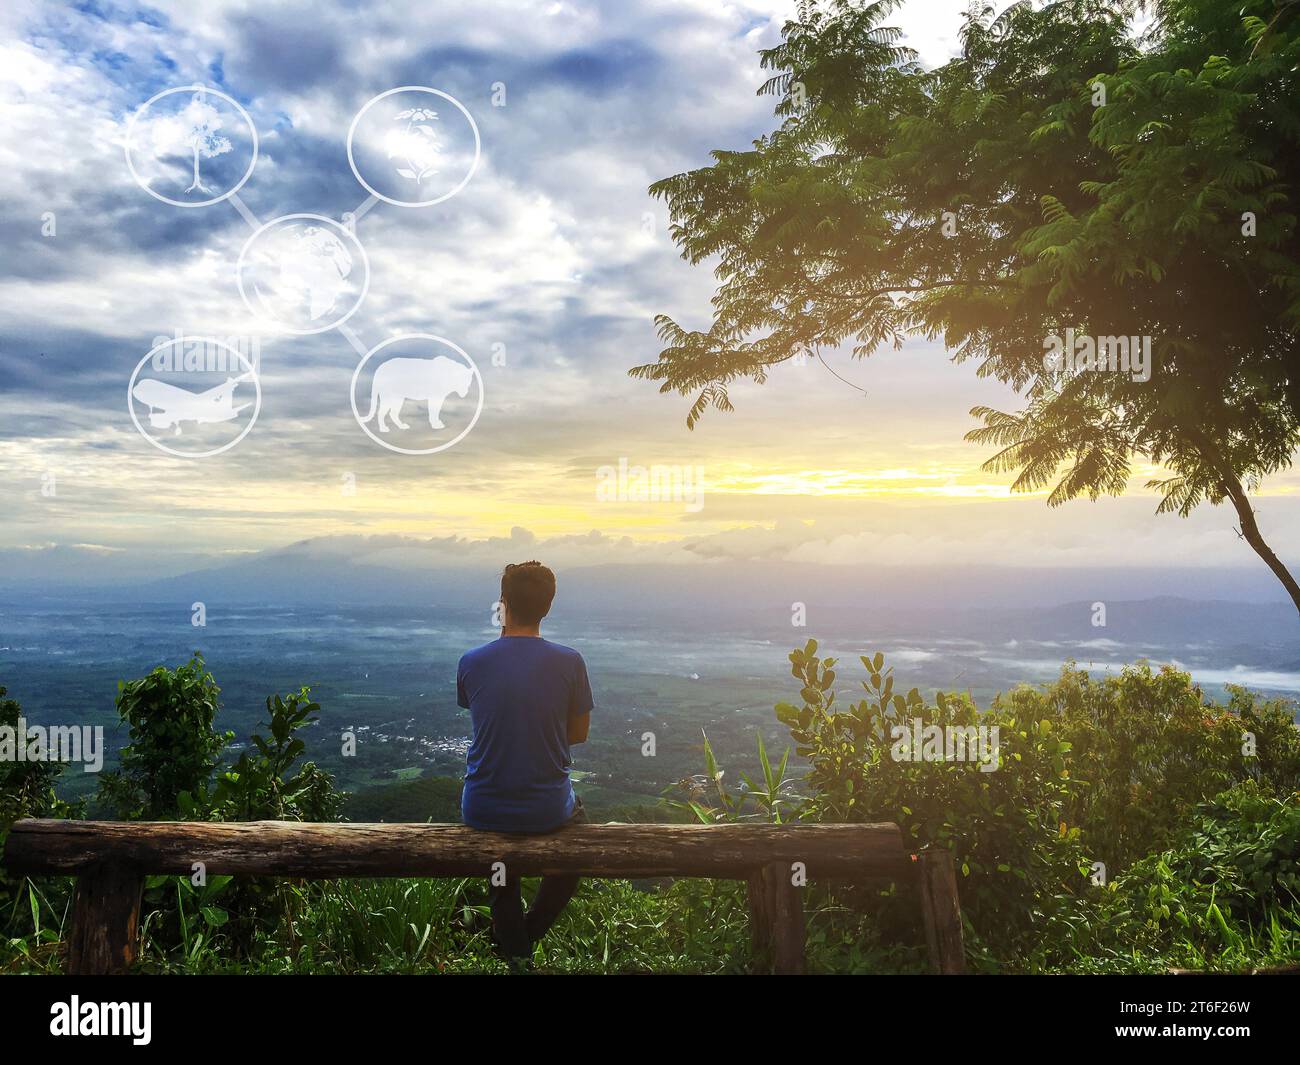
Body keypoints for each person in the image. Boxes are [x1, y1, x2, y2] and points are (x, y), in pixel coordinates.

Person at [456, 560, 593, 961]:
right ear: (548, 607)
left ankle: (516, 950)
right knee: (576, 850)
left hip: (483, 806)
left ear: (503, 605)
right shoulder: (570, 662)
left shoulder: (472, 661)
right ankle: (525, 939)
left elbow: (488, 715)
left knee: (502, 871)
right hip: (548, 808)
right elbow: (579, 734)